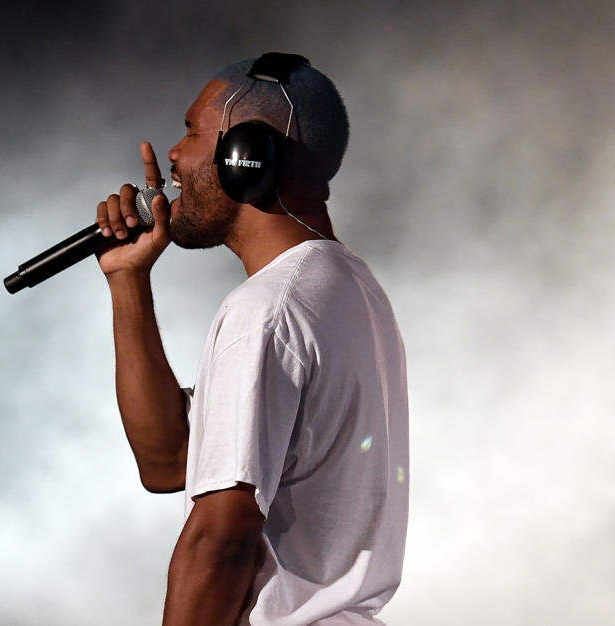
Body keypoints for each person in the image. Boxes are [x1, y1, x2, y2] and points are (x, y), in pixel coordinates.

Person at [94, 53, 408, 626]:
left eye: (191, 132)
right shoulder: (347, 287)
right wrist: (127, 280)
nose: (173, 156)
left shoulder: (266, 312)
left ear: (248, 154)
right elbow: (168, 463)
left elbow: (220, 537)